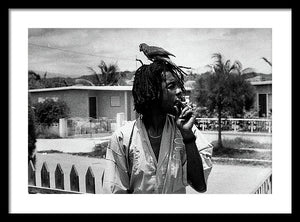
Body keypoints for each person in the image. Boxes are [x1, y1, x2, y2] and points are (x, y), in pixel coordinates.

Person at [103, 60, 213, 194]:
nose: (179, 91)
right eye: (171, 86)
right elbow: (114, 193)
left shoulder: (186, 130)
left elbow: (200, 185)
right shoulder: (123, 138)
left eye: (178, 86)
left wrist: (188, 138)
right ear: (153, 91)